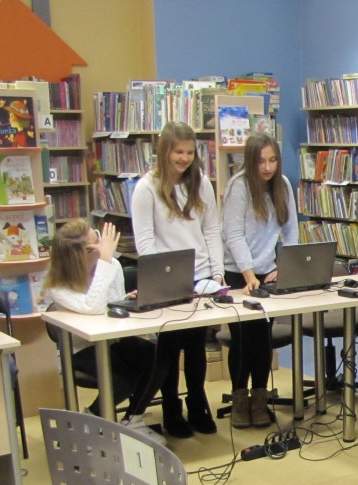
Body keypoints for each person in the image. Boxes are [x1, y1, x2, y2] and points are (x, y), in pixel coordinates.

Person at [131, 121, 224, 438]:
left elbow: (211, 230)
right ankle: (172, 409)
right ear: (165, 151)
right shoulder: (146, 188)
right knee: (169, 348)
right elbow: (145, 242)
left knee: (196, 345)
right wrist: (161, 277)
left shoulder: (201, 183)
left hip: (201, 277)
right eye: (178, 152)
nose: (184, 158)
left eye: (189, 152)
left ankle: (198, 403)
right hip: (167, 280)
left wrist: (217, 272)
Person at [42, 220, 169, 445]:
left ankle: (134, 419)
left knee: (159, 355)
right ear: (81, 253)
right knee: (122, 378)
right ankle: (90, 420)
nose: (103, 244)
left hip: (112, 340)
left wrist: (126, 300)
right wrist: (104, 261)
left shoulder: (112, 265)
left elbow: (110, 305)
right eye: (97, 242)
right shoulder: (58, 283)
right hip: (80, 347)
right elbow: (93, 307)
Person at [221, 133, 298, 429]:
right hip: (237, 272)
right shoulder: (238, 187)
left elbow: (290, 231)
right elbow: (234, 235)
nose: (267, 167)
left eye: (273, 160)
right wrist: (248, 274)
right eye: (261, 161)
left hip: (267, 271)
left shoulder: (283, 185)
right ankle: (240, 399)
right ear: (250, 162)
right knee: (242, 338)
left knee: (262, 338)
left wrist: (285, 267)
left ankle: (260, 398)